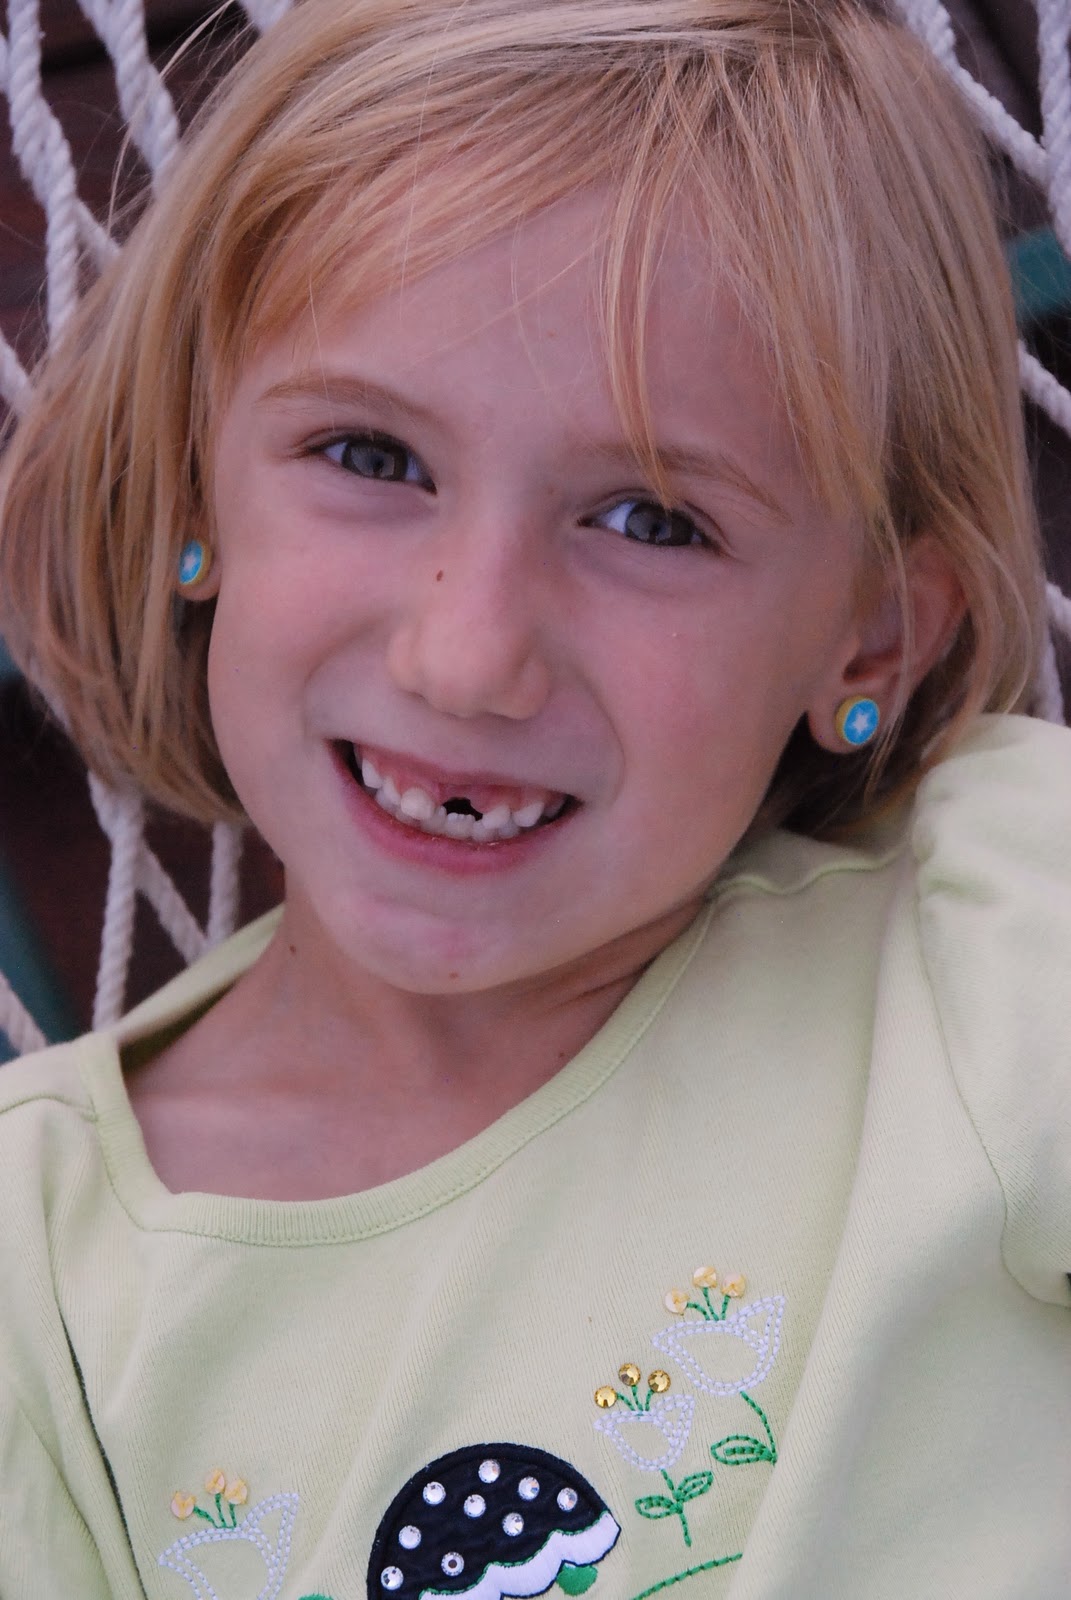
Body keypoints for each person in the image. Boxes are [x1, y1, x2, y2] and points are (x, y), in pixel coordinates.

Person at [0, 0, 1067, 1594]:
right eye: (372, 457)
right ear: (195, 478)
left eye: (650, 521)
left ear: (869, 638)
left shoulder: (993, 936)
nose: (469, 656)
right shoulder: (42, 1276)